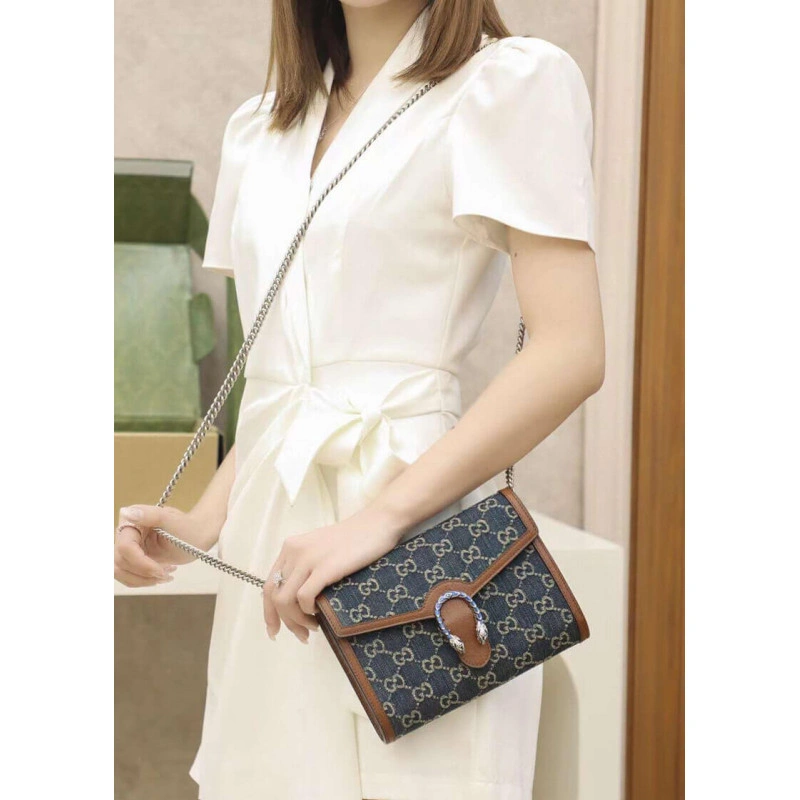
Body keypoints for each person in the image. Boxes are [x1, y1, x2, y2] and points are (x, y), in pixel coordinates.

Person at [113, 1, 605, 798]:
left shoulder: (507, 84)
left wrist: (380, 519)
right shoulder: (259, 128)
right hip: (274, 560)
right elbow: (282, 381)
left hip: (416, 543)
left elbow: (570, 351)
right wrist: (203, 523)